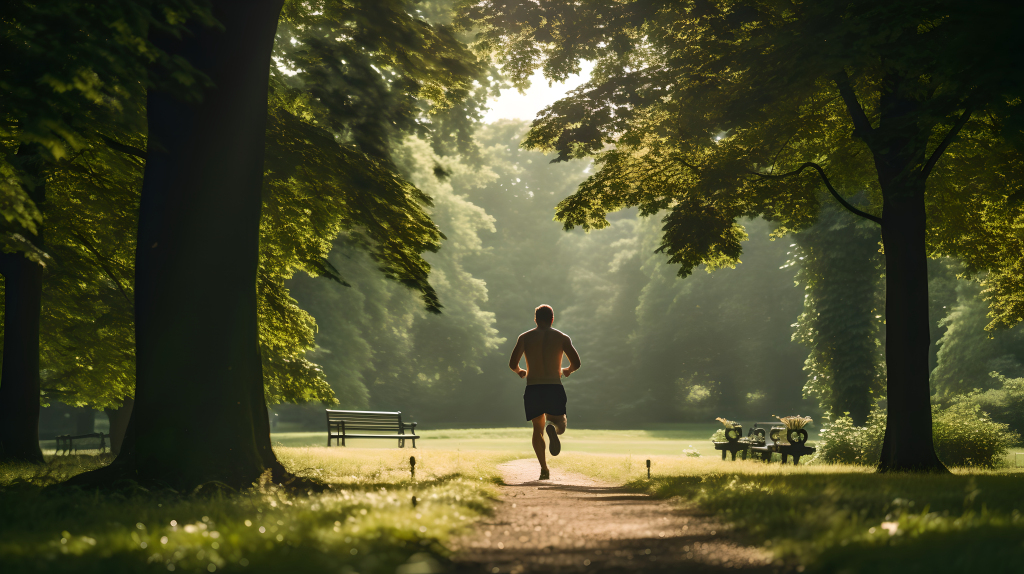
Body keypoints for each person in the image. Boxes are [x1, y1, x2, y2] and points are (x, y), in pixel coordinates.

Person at [508, 304, 582, 480]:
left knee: (537, 430)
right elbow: (576, 363)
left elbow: (513, 364)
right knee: (561, 423)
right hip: (553, 385)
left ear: (535, 319)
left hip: (533, 387)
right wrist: (568, 370)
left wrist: (520, 372)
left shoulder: (525, 337)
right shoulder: (562, 337)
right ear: (552, 319)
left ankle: (544, 468)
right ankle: (554, 430)